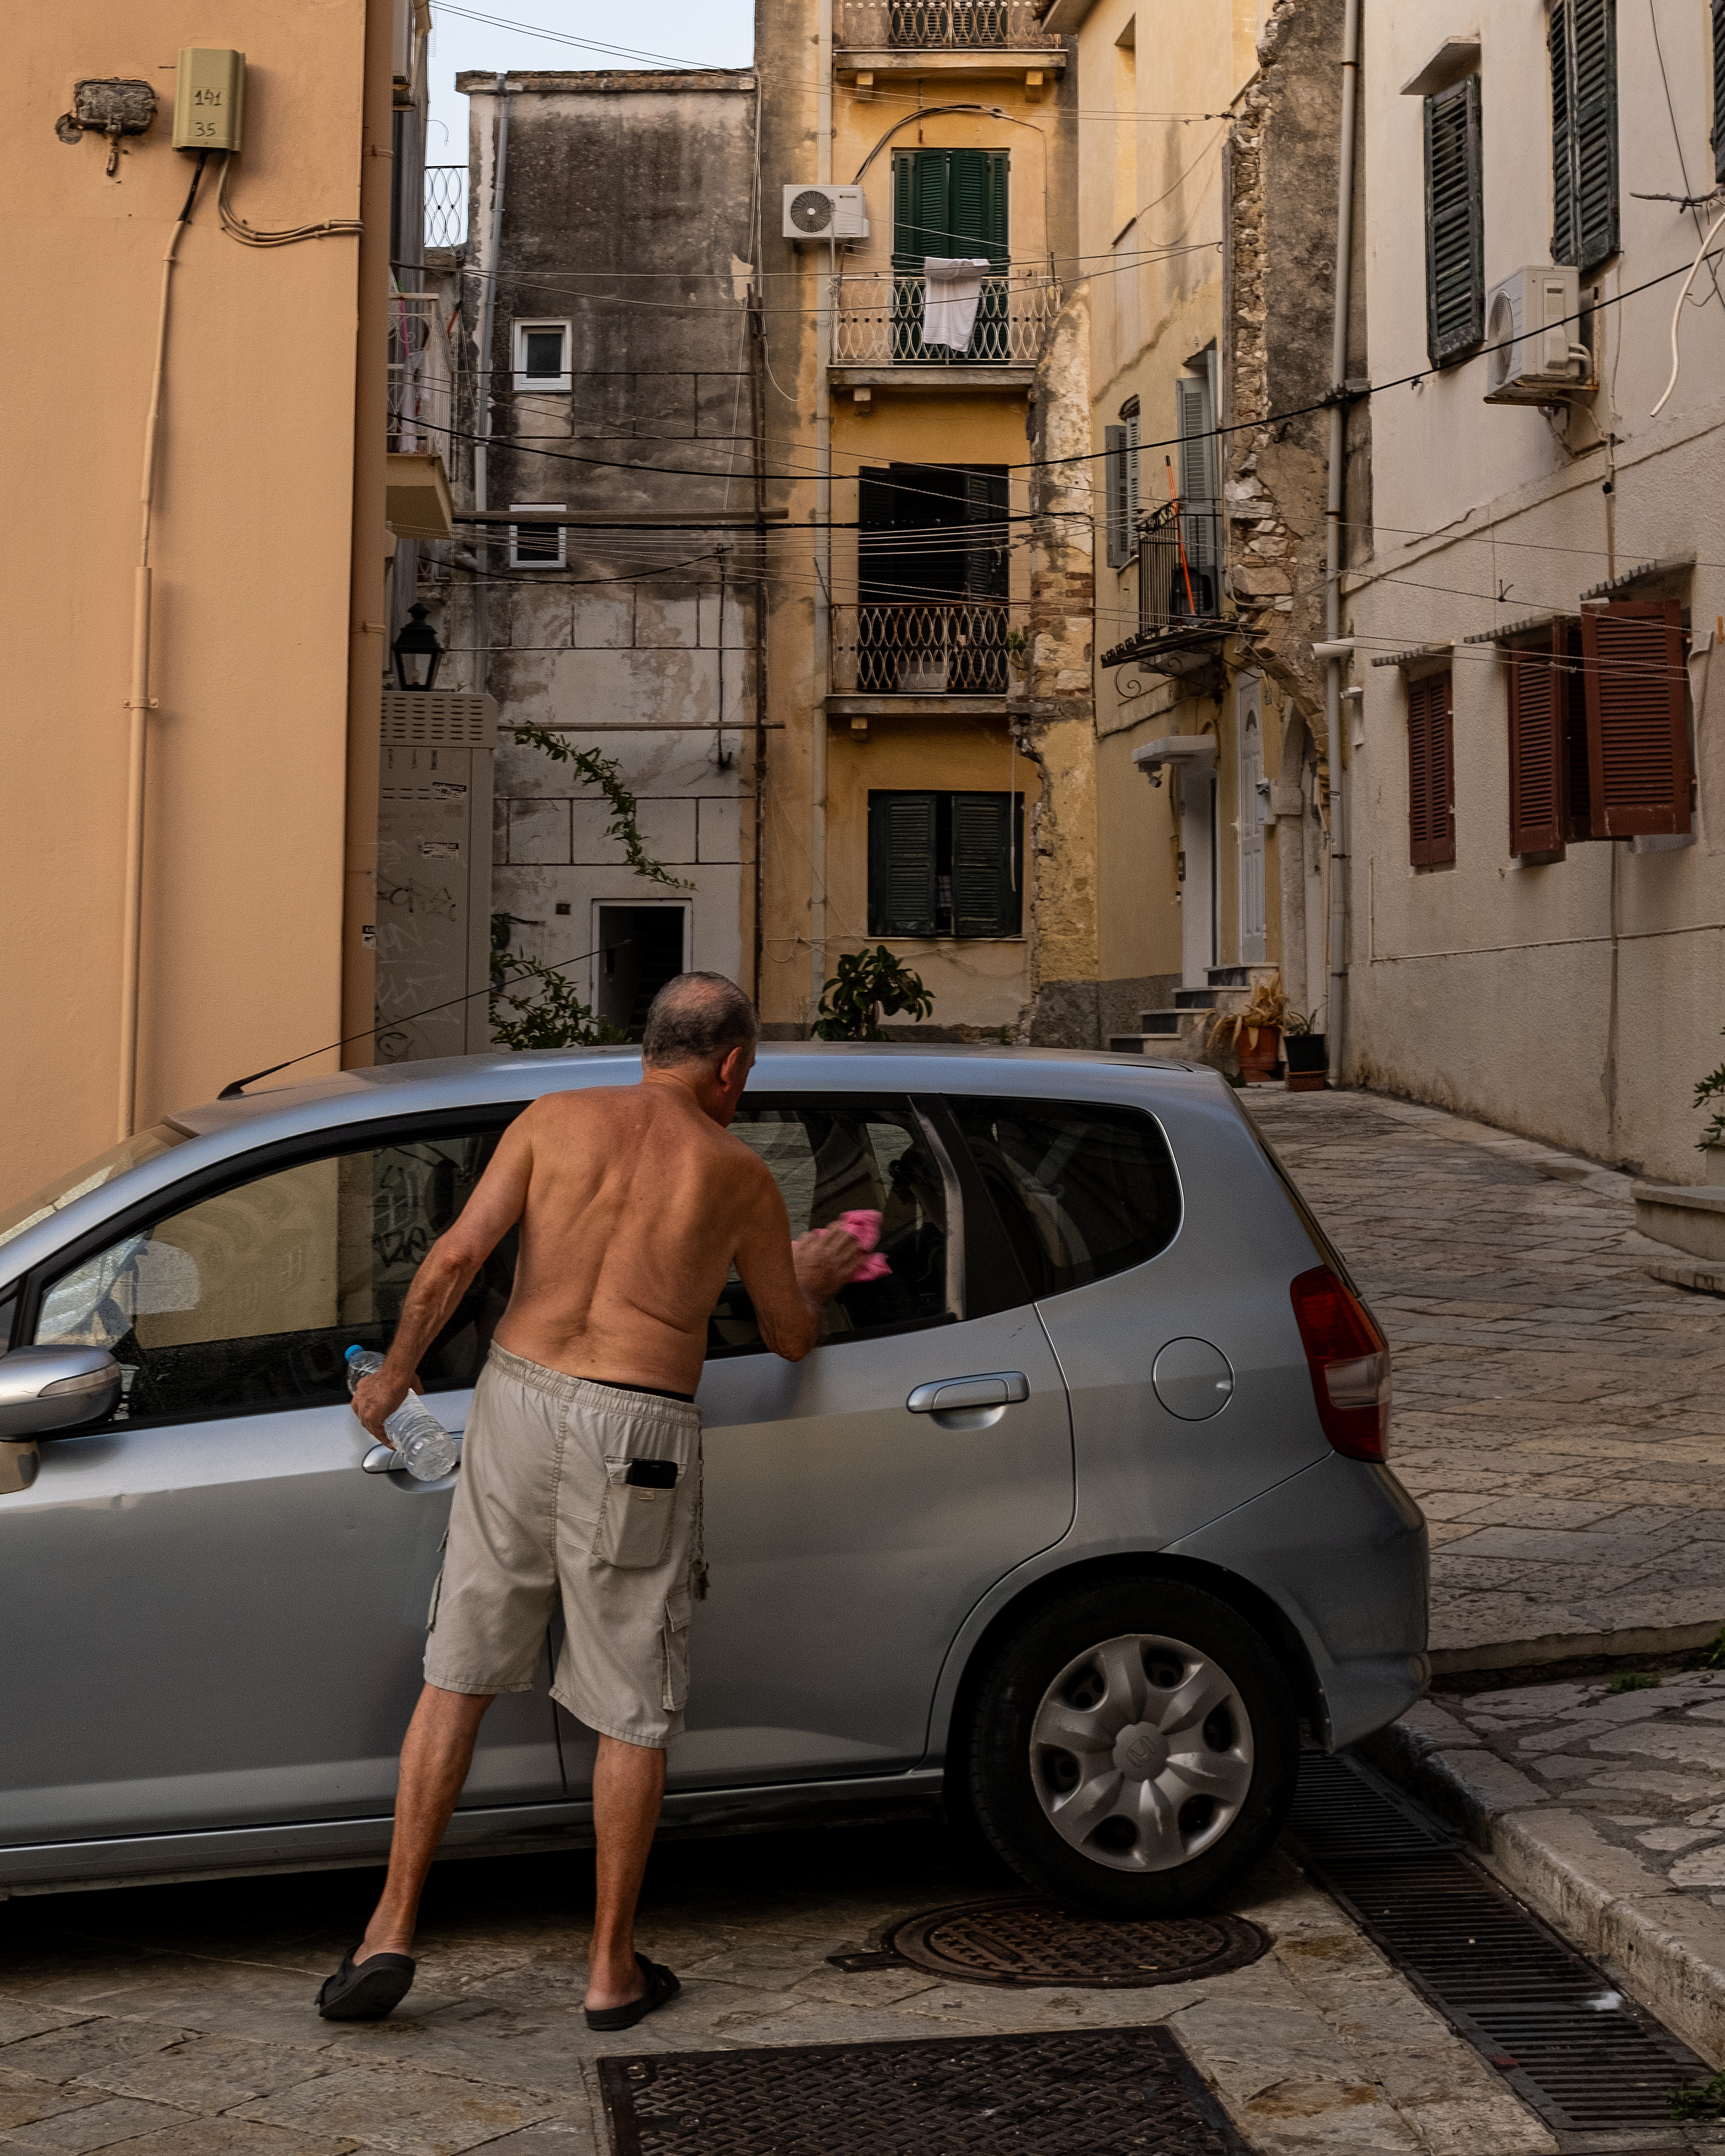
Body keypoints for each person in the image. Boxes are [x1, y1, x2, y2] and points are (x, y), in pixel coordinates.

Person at [314, 973, 861, 2031]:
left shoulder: (551, 1121)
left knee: (457, 1675)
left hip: (517, 1402)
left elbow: (457, 1259)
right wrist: (812, 1274)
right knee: (630, 1707)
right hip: (639, 1426)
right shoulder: (738, 1171)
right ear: (734, 1065)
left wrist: (390, 1378)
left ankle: (387, 1931)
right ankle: (610, 1970)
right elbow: (791, 1336)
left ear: (648, 1045)